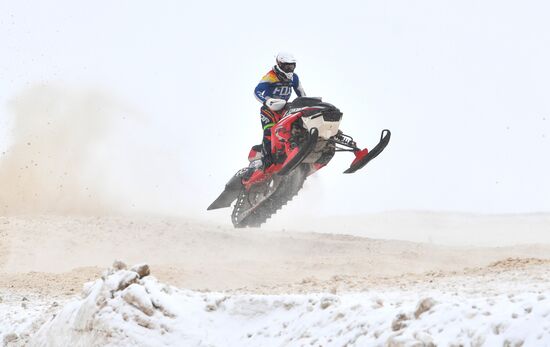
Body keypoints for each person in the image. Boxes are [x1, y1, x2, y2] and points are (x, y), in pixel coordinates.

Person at [254, 52, 306, 168]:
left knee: (294, 127)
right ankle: (266, 158)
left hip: (285, 107)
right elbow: (257, 91)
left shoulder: (294, 77)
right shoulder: (270, 76)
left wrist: (306, 104)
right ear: (279, 64)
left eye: (292, 66)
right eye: (286, 66)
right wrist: (265, 101)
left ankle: (295, 148)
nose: (289, 69)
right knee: (269, 130)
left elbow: (301, 93)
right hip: (270, 108)